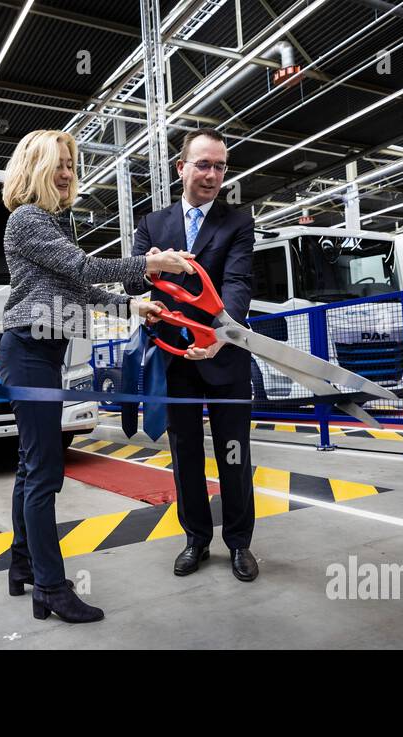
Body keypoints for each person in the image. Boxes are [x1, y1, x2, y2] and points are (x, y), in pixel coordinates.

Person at [0, 129, 192, 622]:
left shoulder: (54, 224)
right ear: (34, 167)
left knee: (31, 467)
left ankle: (22, 565)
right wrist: (151, 264)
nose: (67, 173)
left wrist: (133, 304)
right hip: (28, 352)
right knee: (45, 473)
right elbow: (85, 268)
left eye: (70, 164)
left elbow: (80, 292)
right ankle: (50, 587)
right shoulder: (27, 219)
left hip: (44, 350)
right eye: (58, 163)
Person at [123, 128, 259, 582]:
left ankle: (239, 543)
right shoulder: (152, 225)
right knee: (184, 455)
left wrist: (222, 332)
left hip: (224, 354)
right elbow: (132, 284)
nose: (213, 174)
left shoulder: (237, 223)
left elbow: (238, 282)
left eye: (220, 166)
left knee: (234, 454)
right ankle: (195, 540)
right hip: (174, 357)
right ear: (181, 168)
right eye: (203, 164)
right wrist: (152, 273)